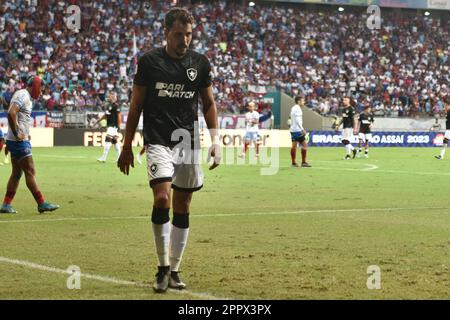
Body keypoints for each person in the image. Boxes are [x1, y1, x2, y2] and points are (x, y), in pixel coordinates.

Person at [117, 7, 220, 293]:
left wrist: (216, 140)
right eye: (178, 34)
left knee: (183, 205)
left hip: (187, 142)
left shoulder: (200, 64)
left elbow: (208, 103)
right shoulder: (149, 62)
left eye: (188, 35)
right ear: (166, 33)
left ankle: (174, 269)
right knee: (162, 197)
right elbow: (136, 105)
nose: (184, 40)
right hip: (158, 139)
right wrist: (127, 145)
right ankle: (162, 268)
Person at [0, 76, 60, 214]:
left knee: (16, 173)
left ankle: (6, 204)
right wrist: (16, 134)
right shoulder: (23, 95)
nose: (41, 91)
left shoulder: (24, 96)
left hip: (15, 140)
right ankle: (41, 203)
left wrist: (13, 137)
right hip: (19, 142)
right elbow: (11, 113)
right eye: (41, 88)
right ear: (35, 85)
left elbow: (17, 116)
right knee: (30, 171)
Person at [96, 91, 122, 163]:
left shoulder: (116, 105)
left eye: (110, 96)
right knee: (115, 142)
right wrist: (98, 121)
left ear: (113, 97)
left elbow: (119, 116)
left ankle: (103, 158)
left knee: (108, 141)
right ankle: (119, 158)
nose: (109, 97)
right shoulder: (109, 105)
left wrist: (119, 126)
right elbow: (106, 115)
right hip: (111, 126)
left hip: (113, 126)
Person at [289, 96, 311, 167]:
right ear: (298, 101)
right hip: (298, 130)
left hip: (293, 129)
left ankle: (293, 163)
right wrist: (302, 129)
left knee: (294, 146)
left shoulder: (293, 108)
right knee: (304, 145)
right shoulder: (298, 109)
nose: (304, 102)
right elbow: (298, 120)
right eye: (302, 101)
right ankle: (303, 162)